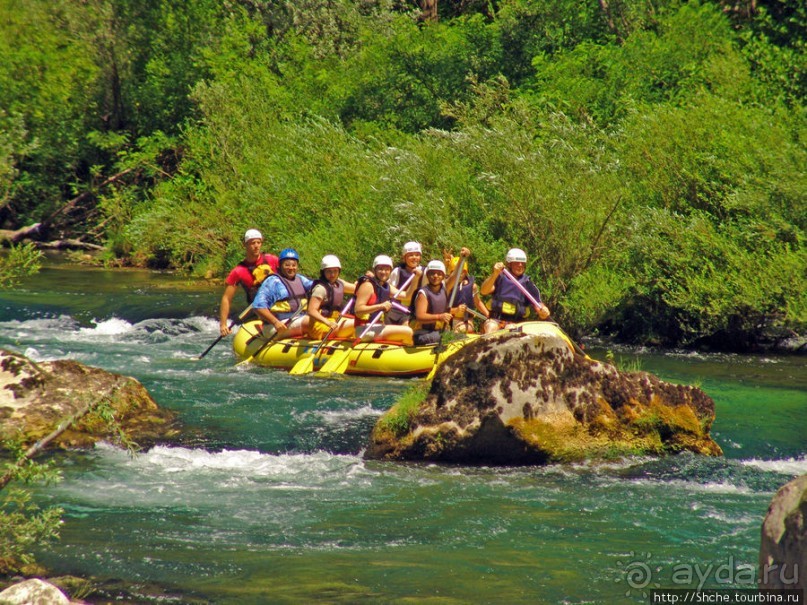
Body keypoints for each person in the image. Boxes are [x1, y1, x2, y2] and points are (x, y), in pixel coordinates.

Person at [219, 229, 279, 336]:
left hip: (279, 305)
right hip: (257, 311)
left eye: (258, 242)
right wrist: (223, 324)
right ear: (245, 245)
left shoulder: (272, 260)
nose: (256, 246)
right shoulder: (238, 271)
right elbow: (226, 298)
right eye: (252, 243)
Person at [480, 247, 550, 334]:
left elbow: (538, 304)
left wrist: (543, 310)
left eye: (522, 263)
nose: (520, 265)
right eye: (517, 263)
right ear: (509, 264)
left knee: (510, 329)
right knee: (491, 327)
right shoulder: (499, 277)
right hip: (495, 319)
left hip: (515, 323)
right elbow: (484, 291)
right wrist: (494, 274)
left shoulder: (527, 284)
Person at [252, 248, 313, 339]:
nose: (291, 268)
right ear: (280, 265)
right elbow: (258, 306)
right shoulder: (273, 281)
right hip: (277, 326)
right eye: (287, 265)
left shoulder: (300, 279)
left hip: (299, 319)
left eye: (294, 265)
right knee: (311, 322)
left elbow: (317, 287)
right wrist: (275, 322)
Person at [353, 255, 413, 345]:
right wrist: (381, 306)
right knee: (408, 332)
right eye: (380, 269)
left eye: (387, 269)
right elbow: (358, 310)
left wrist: (416, 278)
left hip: (378, 327)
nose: (384, 272)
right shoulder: (367, 286)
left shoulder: (386, 286)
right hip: (364, 329)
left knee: (409, 330)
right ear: (375, 270)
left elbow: (407, 296)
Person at [306, 254, 356, 340]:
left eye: (335, 271)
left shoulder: (339, 284)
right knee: (355, 324)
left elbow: (356, 289)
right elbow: (311, 310)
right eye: (329, 271)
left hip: (335, 320)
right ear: (323, 272)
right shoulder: (320, 288)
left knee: (360, 322)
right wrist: (328, 322)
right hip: (320, 325)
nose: (332, 274)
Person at [444, 249, 489, 334]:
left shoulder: (473, 286)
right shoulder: (447, 287)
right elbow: (441, 309)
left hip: (466, 321)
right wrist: (455, 310)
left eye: (463, 272)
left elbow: (478, 302)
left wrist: (488, 315)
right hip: (449, 320)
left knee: (460, 330)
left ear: (465, 272)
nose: (460, 274)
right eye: (455, 272)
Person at [412, 260, 454, 345]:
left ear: (443, 276)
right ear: (427, 275)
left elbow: (455, 277)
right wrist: (439, 317)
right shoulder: (423, 293)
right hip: (422, 333)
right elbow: (420, 316)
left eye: (439, 274)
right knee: (448, 337)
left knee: (460, 337)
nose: (435, 276)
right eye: (432, 273)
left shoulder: (444, 290)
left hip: (437, 331)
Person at [386, 241, 424, 325]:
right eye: (411, 255)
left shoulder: (425, 272)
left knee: (407, 326)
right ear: (404, 257)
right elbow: (389, 291)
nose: (414, 257)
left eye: (417, 255)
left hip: (413, 310)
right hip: (396, 309)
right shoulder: (397, 271)